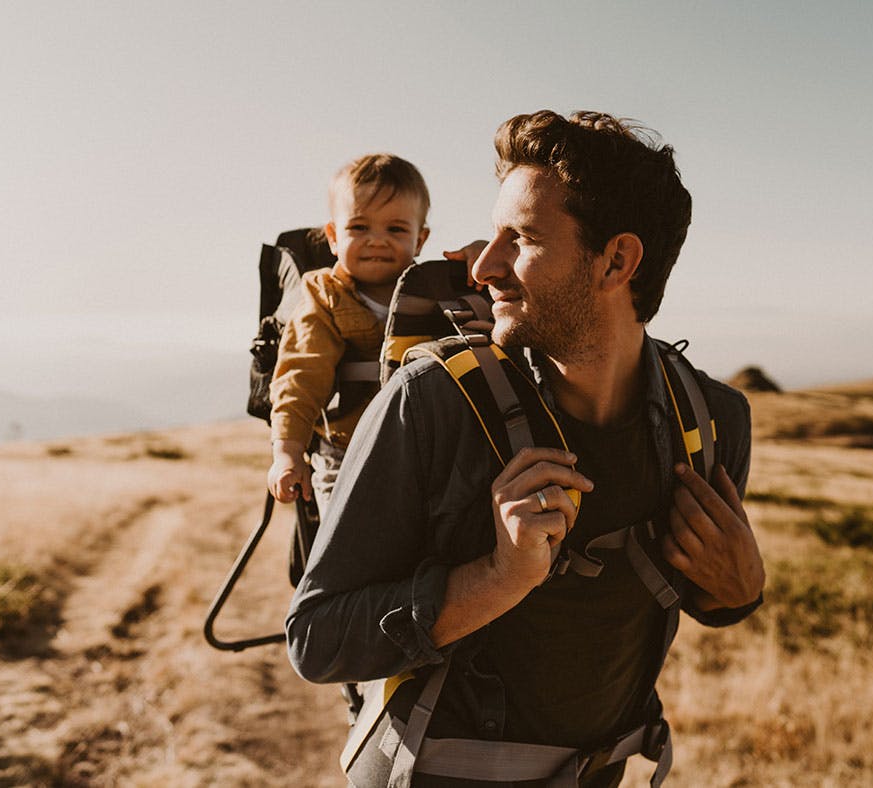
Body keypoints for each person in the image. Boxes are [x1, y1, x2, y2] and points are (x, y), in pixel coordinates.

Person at [287, 111, 766, 787]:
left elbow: (705, 593)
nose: (484, 264)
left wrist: (742, 593)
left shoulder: (712, 423)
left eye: (523, 239)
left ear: (617, 261)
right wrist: (496, 579)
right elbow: (317, 639)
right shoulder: (432, 403)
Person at [266, 154, 431, 509]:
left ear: (420, 239)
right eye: (359, 228)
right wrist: (288, 451)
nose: (376, 240)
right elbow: (301, 374)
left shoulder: (436, 291)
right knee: (350, 550)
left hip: (428, 453)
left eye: (396, 229)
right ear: (333, 237)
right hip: (346, 453)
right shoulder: (325, 296)